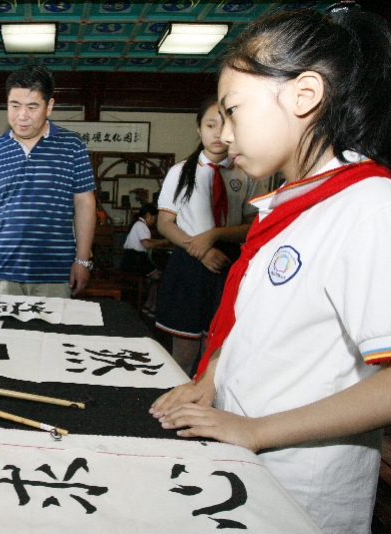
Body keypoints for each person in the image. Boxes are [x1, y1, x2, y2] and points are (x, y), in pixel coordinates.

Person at [150, 7, 391, 534]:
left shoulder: (369, 204)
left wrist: (255, 429)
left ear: (304, 95)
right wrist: (211, 381)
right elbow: (260, 325)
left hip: (299, 485)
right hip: (244, 464)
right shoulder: (290, 205)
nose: (224, 133)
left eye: (234, 111)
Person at [153, 96, 260, 376]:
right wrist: (199, 248)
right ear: (199, 130)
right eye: (210, 125)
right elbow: (165, 224)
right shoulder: (180, 172)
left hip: (229, 262)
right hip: (189, 262)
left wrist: (215, 235)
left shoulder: (246, 173)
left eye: (223, 125)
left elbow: (253, 227)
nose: (217, 133)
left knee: (216, 351)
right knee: (184, 351)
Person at [0, 65, 96, 298]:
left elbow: (85, 204)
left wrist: (83, 260)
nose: (22, 115)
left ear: (49, 107)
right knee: (3, 334)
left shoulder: (73, 147)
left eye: (32, 106)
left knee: (52, 333)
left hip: (56, 274)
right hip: (1, 272)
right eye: (14, 106)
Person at [120, 203, 168, 315]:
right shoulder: (142, 226)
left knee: (157, 278)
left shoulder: (137, 224)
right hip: (136, 260)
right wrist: (165, 241)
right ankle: (152, 308)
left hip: (130, 259)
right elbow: (147, 244)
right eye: (154, 218)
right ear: (148, 215)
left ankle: (149, 305)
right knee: (160, 277)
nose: (154, 221)